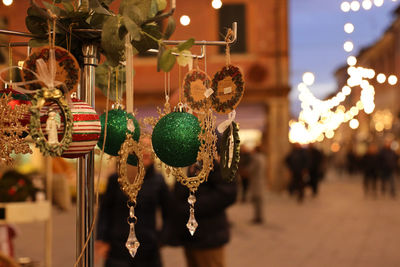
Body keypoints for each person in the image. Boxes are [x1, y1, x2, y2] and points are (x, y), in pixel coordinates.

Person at [95, 138, 170, 267]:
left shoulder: (158, 181)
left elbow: (169, 212)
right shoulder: (116, 179)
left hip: (148, 249)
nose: (145, 152)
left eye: (148, 148)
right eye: (141, 148)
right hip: (118, 247)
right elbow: (105, 211)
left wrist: (161, 238)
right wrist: (102, 239)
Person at [166, 161, 237, 267]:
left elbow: (227, 193)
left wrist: (188, 208)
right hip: (190, 236)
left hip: (209, 236)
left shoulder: (216, 155)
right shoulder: (190, 157)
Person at [246, 146, 266, 224]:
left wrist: (245, 171)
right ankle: (259, 216)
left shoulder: (256, 158)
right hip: (261, 180)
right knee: (259, 200)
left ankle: (258, 217)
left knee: (257, 200)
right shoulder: (263, 158)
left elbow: (251, 169)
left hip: (256, 181)